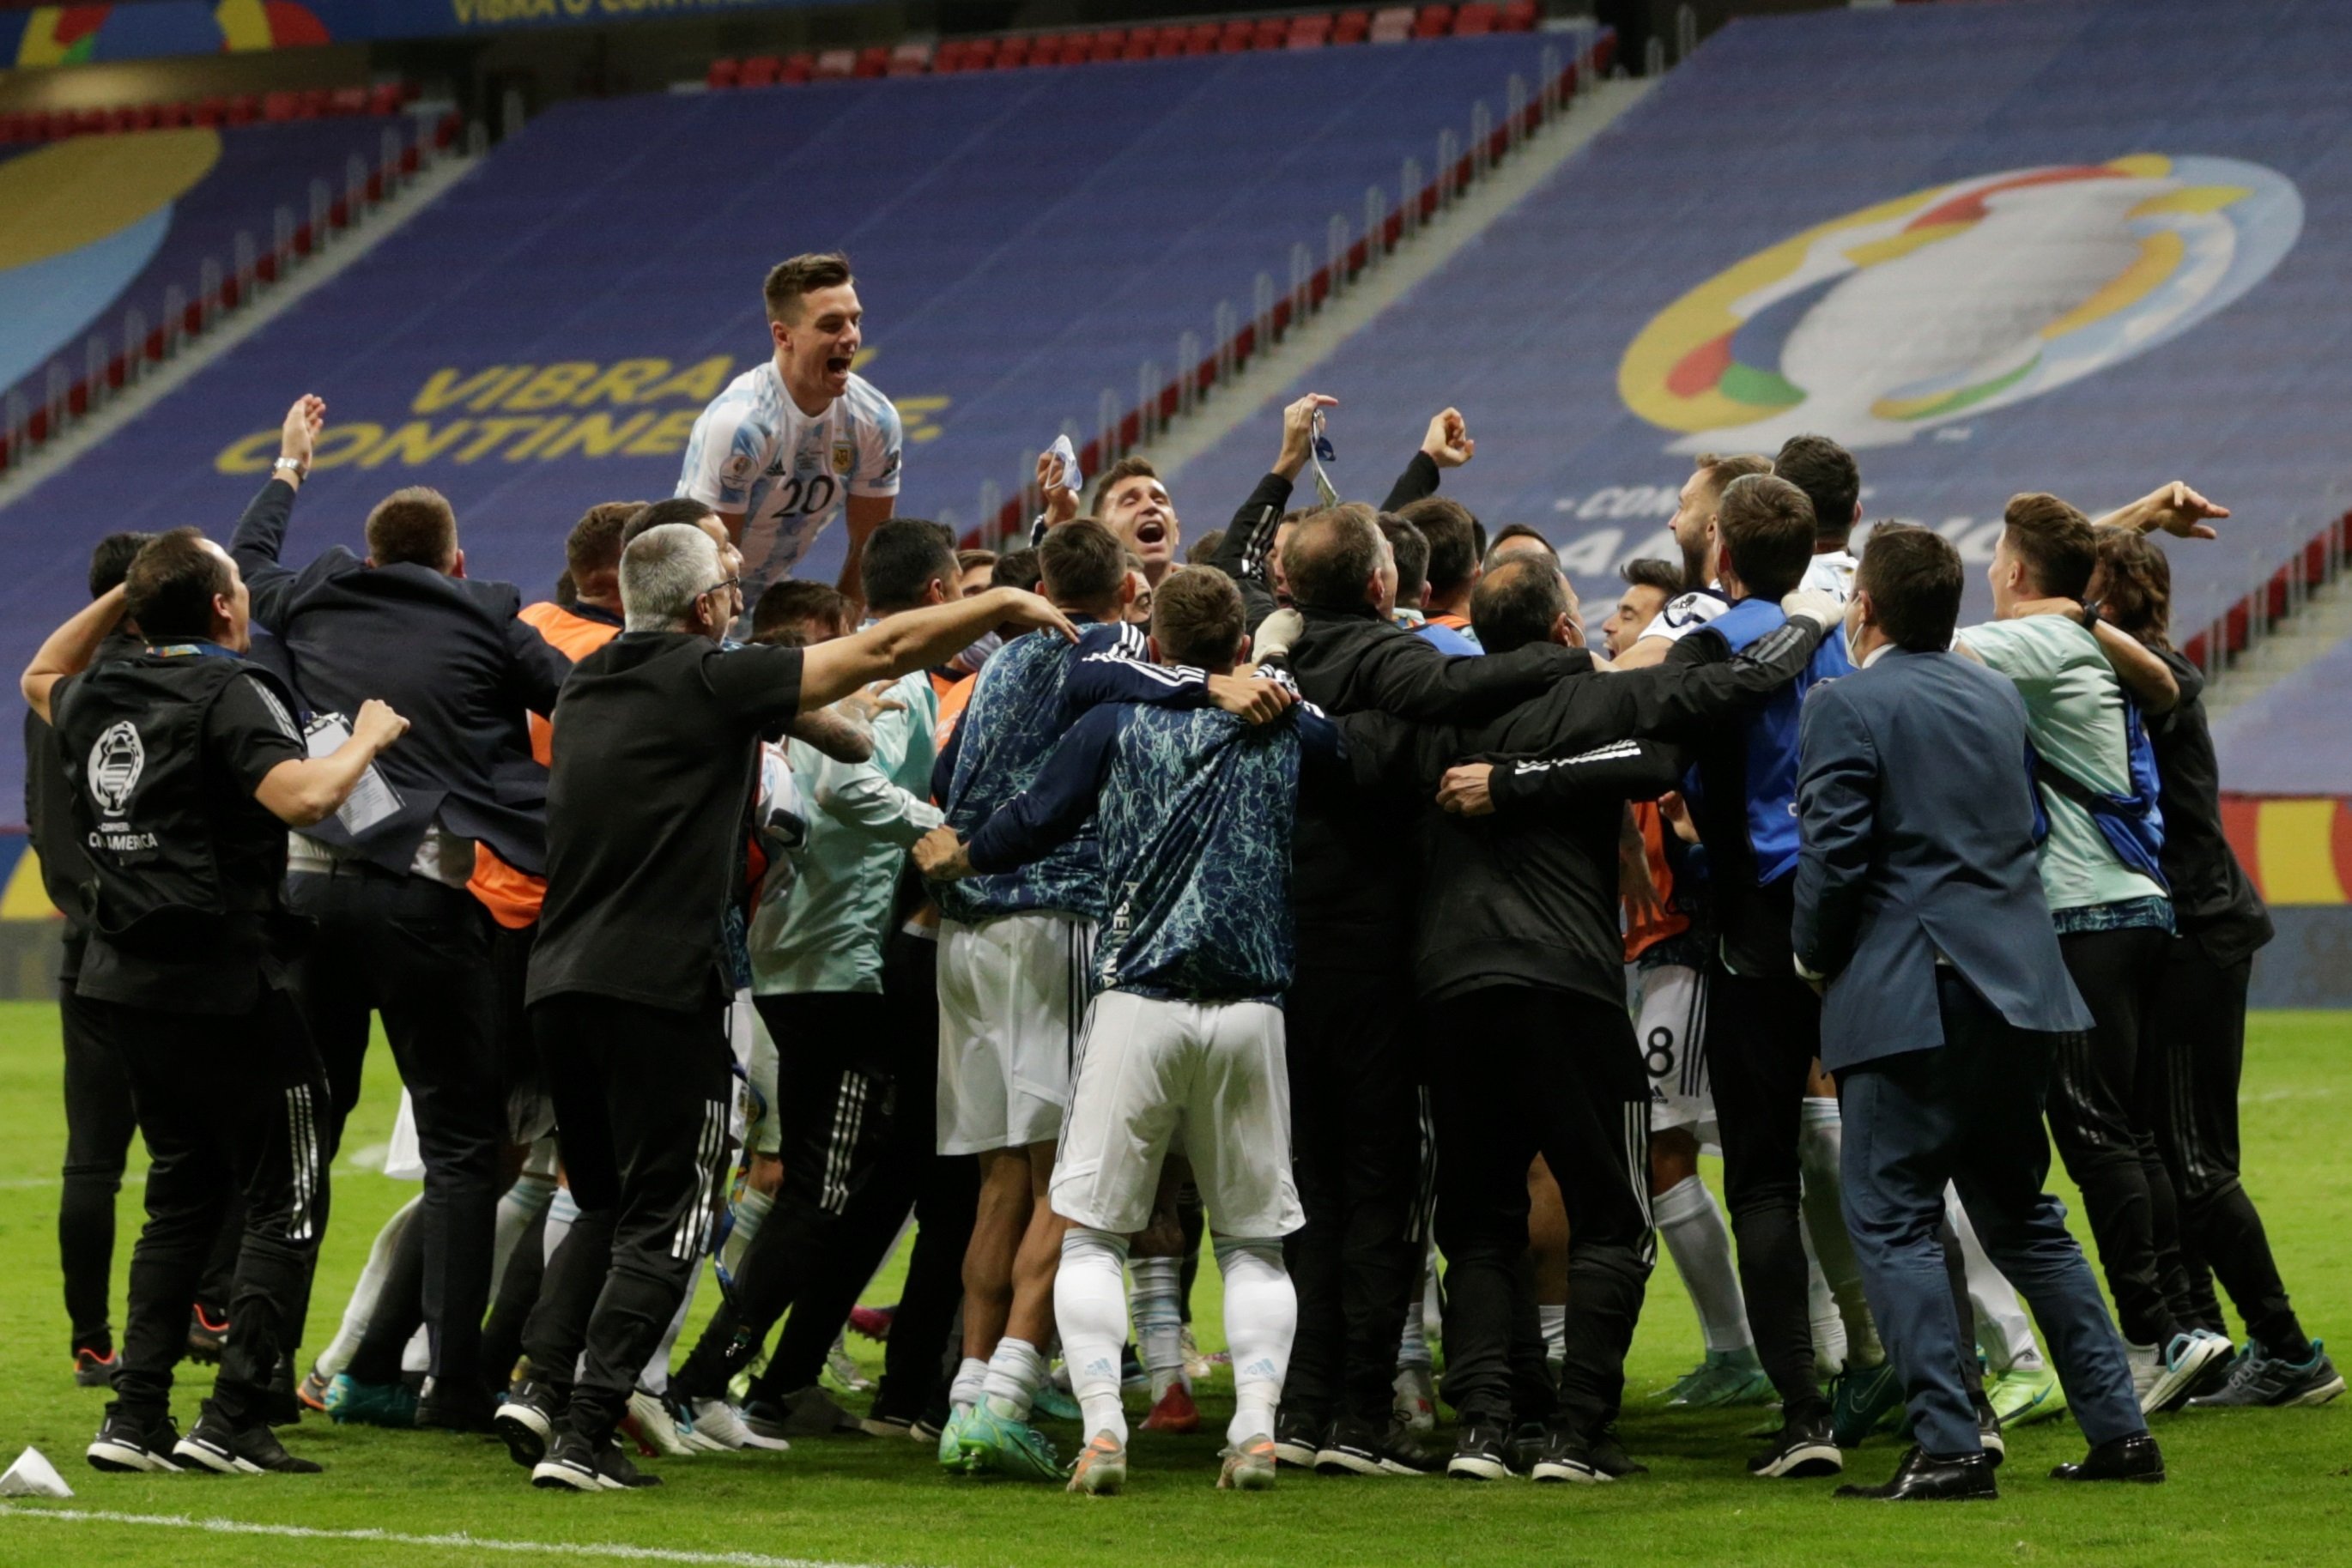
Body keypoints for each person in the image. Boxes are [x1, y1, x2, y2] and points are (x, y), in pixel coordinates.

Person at [500, 521, 1074, 1491]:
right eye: (727, 584)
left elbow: (825, 726)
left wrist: (829, 725)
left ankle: (540, 1383)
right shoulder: (710, 680)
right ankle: (587, 1430)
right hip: (659, 982)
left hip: (558, 983)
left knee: (600, 1202)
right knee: (670, 1212)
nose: (736, 596)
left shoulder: (590, 680)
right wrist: (1006, 602)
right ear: (707, 608)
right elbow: (888, 646)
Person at [917, 568, 1329, 1496]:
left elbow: (1034, 817)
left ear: (1153, 637)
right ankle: (1255, 1434)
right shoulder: (1282, 721)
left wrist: (965, 854)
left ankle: (1104, 1433)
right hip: (1251, 1010)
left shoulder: (1113, 722)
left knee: (1095, 1233)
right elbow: (1348, 757)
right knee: (1253, 1245)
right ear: (1235, 647)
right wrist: (1272, 678)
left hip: (1136, 999)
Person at [27, 527, 411, 1475]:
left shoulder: (98, 689)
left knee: (180, 1198)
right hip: (229, 988)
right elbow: (308, 799)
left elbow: (41, 667)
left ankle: (136, 1417)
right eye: (235, 583)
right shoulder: (231, 692)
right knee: (290, 1192)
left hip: (123, 986)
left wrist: (129, 593)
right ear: (222, 608)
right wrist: (367, 737)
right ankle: (235, 1414)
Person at [1792, 524, 2158, 1498]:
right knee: (2025, 1215)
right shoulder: (1997, 698)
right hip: (2022, 988)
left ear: (1862, 606)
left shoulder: (1843, 705)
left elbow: (1832, 862)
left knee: (1894, 1215)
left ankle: (1950, 1445)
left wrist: (1810, 955)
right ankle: (2121, 1431)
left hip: (1913, 990)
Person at [229, 395, 571, 1432]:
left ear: (373, 557)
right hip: (426, 901)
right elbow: (581, 702)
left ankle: (266, 1372)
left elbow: (247, 565)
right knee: (467, 1146)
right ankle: (455, 1386)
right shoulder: (487, 617)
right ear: (455, 563)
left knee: (304, 1140)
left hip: (306, 902)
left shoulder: (316, 598)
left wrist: (290, 467)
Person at [663, 519, 957, 1434]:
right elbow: (840, 788)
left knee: (823, 1183)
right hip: (829, 968)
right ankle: (702, 1382)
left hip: (807, 957)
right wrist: (928, 819)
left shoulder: (858, 670)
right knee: (815, 1191)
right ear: (944, 595)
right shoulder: (897, 682)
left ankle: (736, 1378)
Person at [1953, 493, 2234, 1415]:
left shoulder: (2032, 644)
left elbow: (1911, 647)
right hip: (2135, 905)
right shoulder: (2084, 637)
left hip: (2083, 912)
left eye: (1997, 557)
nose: (1988, 571)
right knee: (2123, 1126)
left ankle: (2157, 1334)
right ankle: (2178, 1325)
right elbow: (2151, 671)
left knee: (2091, 1129)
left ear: (2018, 574)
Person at [2084, 530, 2340, 1408]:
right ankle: (2208, 1342)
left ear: (2106, 603)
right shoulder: (2117, 676)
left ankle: (2289, 1351)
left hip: (2201, 931)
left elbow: (2170, 685)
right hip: (2174, 929)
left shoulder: (2160, 673)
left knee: (2192, 1160)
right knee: (2159, 1146)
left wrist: (2066, 614)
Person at [1661, 472, 1864, 1476]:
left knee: (1760, 1177)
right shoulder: (1835, 639)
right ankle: (1947, 1387)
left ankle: (1803, 1416)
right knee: (1890, 1153)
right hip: (1853, 917)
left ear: (1722, 554)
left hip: (1751, 928)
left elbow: (1682, 780)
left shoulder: (1710, 645)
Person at [29, 531, 246, 1389]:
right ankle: (208, 1303)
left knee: (94, 1157)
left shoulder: (57, 694)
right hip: (160, 944)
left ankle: (93, 1341)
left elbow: (46, 813)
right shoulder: (156, 691)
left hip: (85, 945)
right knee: (222, 1138)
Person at [1605, 558, 1769, 1408]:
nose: (1613, 627)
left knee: (1673, 1147)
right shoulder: (1637, 716)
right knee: (1681, 1148)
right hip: (1655, 956)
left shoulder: (1679, 709)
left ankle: (1747, 1352)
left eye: (1629, 615)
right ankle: (1755, 1352)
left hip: (1690, 954)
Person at [676, 253, 902, 608]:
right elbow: (711, 557)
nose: (851, 337)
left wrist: (842, 632)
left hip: (769, 592)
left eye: (855, 321)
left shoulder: (875, 419)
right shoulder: (740, 424)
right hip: (692, 597)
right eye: (831, 325)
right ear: (783, 336)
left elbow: (869, 545)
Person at [1609, 452, 1774, 670]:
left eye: (1683, 507)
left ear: (1713, 527)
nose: (1672, 523)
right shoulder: (1808, 597)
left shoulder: (1701, 608)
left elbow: (1611, 683)